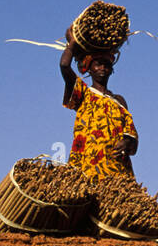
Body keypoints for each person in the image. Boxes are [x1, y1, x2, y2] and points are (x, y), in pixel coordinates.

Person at [59, 30, 139, 180]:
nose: (103, 68)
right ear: (89, 68)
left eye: (107, 65)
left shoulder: (119, 100)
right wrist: (72, 44)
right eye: (98, 64)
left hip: (117, 169)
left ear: (111, 69)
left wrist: (127, 141)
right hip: (88, 165)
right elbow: (64, 65)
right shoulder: (83, 93)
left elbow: (131, 133)